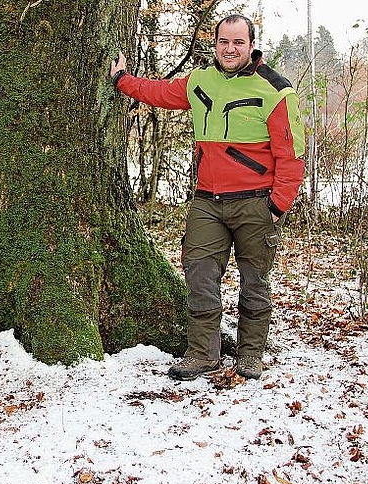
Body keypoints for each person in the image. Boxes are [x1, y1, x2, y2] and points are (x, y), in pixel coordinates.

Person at [110, 14, 305, 380]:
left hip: (256, 202)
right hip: (207, 202)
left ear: (251, 45)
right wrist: (122, 81)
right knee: (199, 276)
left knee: (255, 283)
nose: (229, 49)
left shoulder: (277, 90)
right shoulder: (201, 81)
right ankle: (202, 353)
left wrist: (278, 205)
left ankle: (250, 354)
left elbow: (291, 156)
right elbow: (160, 93)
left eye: (238, 43)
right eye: (223, 42)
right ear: (214, 44)